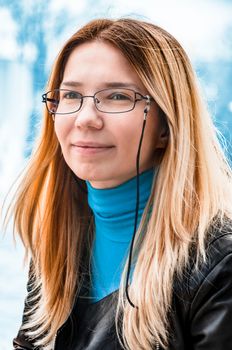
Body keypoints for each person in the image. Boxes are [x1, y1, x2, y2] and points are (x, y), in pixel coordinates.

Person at [10, 17, 232, 350]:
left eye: (116, 96)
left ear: (166, 125)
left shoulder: (218, 267)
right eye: (71, 95)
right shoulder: (57, 249)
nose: (85, 118)